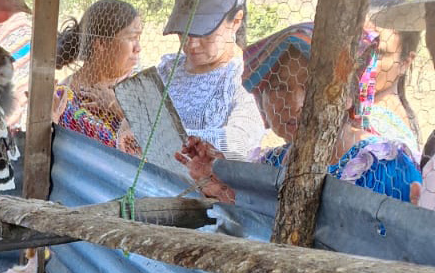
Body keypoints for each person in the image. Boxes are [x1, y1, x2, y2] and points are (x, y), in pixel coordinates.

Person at [178, 22, 421, 205]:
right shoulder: (271, 164)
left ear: (347, 94)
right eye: (279, 87)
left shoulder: (385, 168)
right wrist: (221, 180)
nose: (294, 104)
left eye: (311, 86)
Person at [156, 0, 263, 158]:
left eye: (205, 33)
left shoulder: (246, 80)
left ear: (236, 21)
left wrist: (160, 139)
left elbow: (239, 141)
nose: (191, 44)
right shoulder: (168, 71)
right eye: (183, 32)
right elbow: (139, 113)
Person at [53, 0, 143, 155]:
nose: (138, 48)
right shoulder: (63, 99)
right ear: (101, 43)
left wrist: (118, 107)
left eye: (139, 38)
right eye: (131, 38)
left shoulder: (140, 85)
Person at [365, 0, 423, 161]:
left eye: (380, 53)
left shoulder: (381, 125)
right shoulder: (363, 112)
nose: (366, 59)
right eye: (361, 46)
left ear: (405, 62)